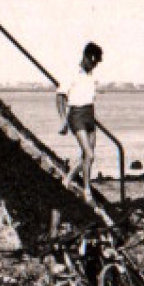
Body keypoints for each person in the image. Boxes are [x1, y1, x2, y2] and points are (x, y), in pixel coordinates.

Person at [56, 42, 104, 203]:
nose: (93, 66)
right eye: (92, 62)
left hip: (89, 113)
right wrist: (63, 120)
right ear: (85, 57)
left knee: (87, 155)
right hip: (76, 114)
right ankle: (87, 190)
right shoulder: (71, 73)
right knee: (90, 154)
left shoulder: (92, 75)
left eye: (96, 63)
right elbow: (60, 96)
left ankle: (68, 179)